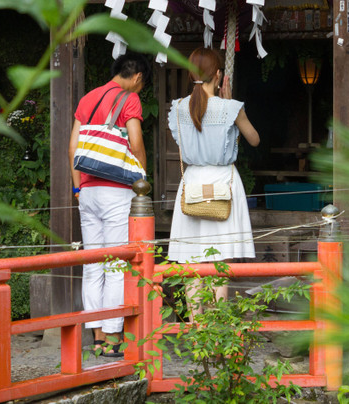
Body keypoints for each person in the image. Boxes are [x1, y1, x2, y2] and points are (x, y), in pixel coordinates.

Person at [68, 52, 150, 356]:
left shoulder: (88, 98)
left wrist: (77, 187)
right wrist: (142, 176)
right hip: (117, 191)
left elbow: (73, 147)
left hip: (87, 191)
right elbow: (136, 142)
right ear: (138, 77)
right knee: (116, 264)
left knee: (93, 265)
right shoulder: (129, 98)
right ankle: (114, 339)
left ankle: (98, 335)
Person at [167, 47, 260, 304]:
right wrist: (231, 106)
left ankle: (197, 324)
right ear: (218, 75)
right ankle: (217, 324)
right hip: (223, 181)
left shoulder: (178, 108)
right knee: (221, 259)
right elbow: (254, 139)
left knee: (192, 259)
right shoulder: (229, 108)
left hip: (193, 182)